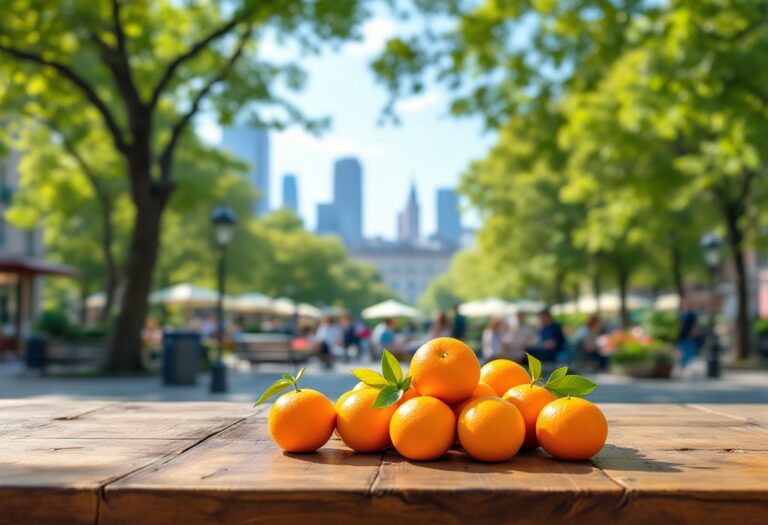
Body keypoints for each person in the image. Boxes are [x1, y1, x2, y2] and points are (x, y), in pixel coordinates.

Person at [677, 299, 700, 376]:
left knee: (689, 352)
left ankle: (687, 368)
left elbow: (695, 325)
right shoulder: (681, 314)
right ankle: (683, 368)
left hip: (689, 336)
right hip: (682, 336)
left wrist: (692, 334)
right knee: (682, 353)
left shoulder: (691, 314)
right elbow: (679, 325)